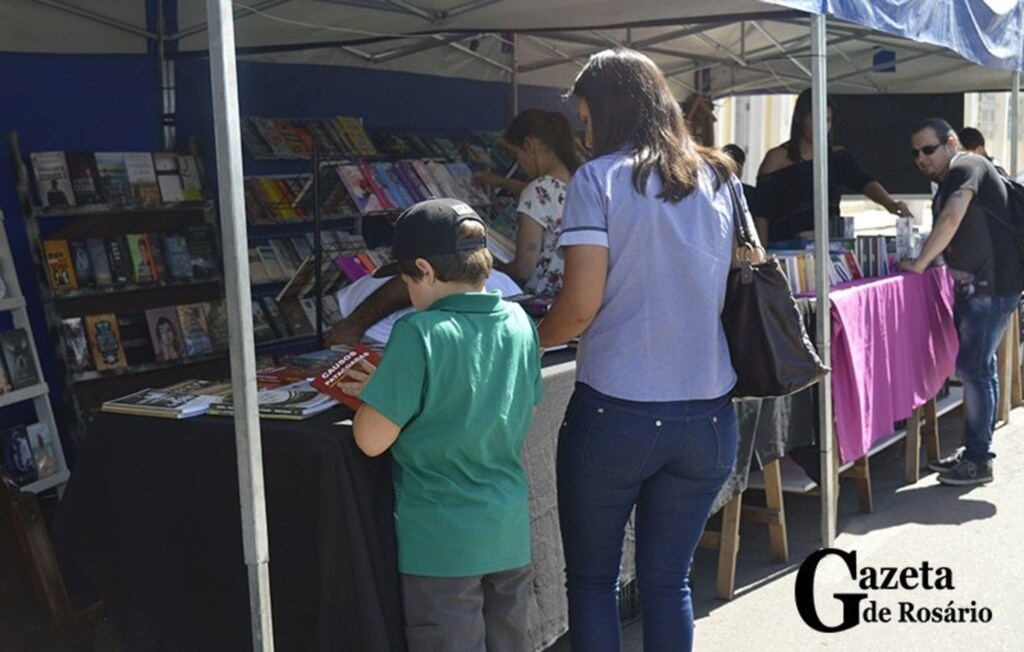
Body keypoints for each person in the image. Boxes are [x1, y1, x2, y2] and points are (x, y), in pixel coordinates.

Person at [536, 48, 743, 652]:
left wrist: (525, 339)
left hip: (618, 410)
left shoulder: (596, 181)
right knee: (668, 582)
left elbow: (577, 308)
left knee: (595, 583)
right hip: (709, 412)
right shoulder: (719, 176)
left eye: (585, 117)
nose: (584, 130)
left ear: (607, 111)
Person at [349, 198, 542, 651]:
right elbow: (526, 411)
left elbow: (370, 440)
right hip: (508, 531)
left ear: (425, 270)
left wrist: (380, 391)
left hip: (439, 545)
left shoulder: (417, 333)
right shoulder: (519, 319)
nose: (408, 291)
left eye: (406, 280)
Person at [900, 117, 1023, 486]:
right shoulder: (951, 177)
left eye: (928, 149)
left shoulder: (966, 165)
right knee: (979, 368)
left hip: (991, 288)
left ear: (951, 143)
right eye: (915, 153)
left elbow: (953, 218)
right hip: (981, 289)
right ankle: (977, 448)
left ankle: (979, 460)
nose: (921, 158)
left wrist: (920, 263)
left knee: (973, 370)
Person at [753, 88, 909, 247]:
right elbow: (761, 213)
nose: (823, 125)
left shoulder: (837, 156)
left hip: (828, 245)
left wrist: (889, 202)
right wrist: (761, 257)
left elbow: (865, 181)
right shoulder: (776, 159)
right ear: (800, 118)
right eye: (817, 117)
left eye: (828, 119)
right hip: (786, 247)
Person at [473, 108, 580, 297]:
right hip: (575, 297)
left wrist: (495, 272)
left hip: (543, 303)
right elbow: (548, 198)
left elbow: (525, 268)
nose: (519, 162)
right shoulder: (581, 183)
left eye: (516, 154)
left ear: (529, 145)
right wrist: (502, 182)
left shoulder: (537, 190)